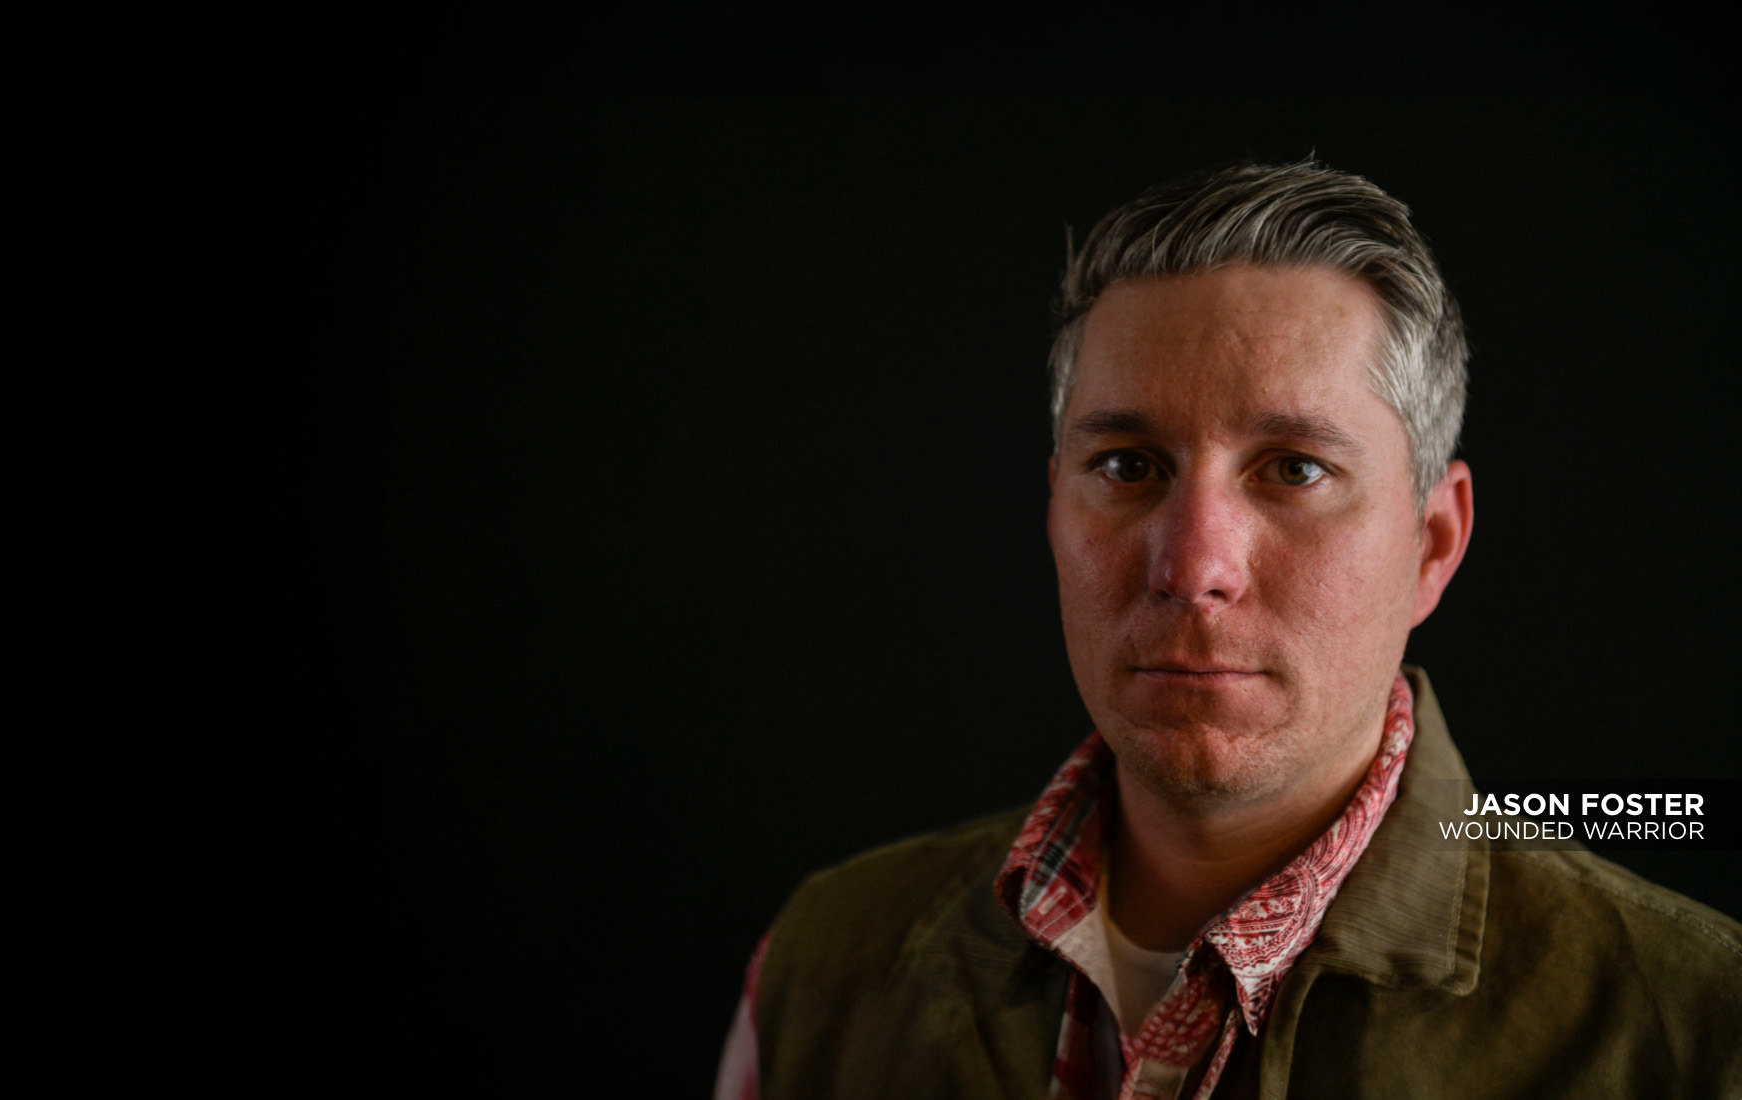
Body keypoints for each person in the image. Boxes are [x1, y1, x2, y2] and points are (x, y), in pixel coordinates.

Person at [713, 160, 1741, 1099]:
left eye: (1294, 468)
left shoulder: (1694, 1029)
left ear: (1432, 544)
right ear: (1052, 512)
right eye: (1127, 465)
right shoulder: (826, 965)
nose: (1192, 565)